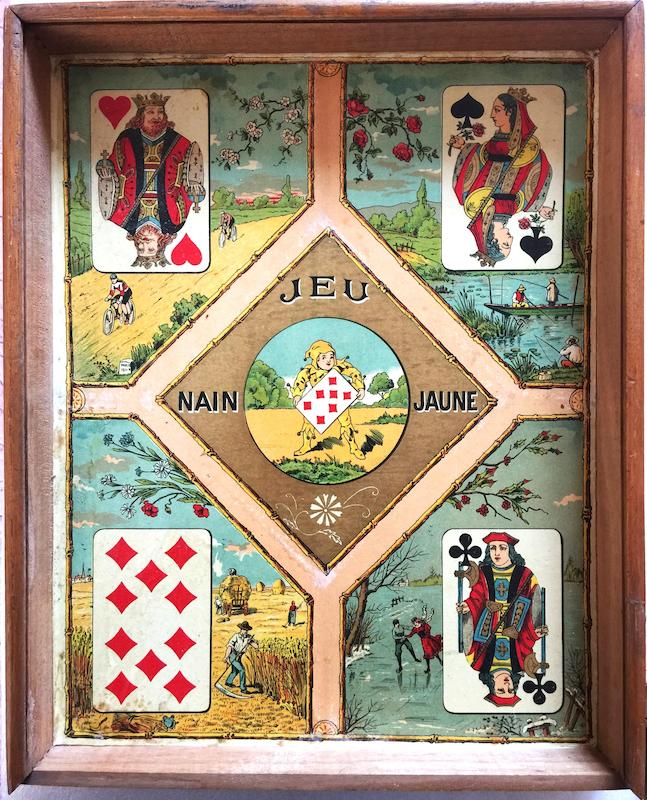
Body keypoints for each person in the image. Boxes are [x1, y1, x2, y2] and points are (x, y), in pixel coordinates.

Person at [96, 92, 205, 268]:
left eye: (160, 112)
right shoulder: (174, 222)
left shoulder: (122, 219)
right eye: (151, 112)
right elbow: (114, 167)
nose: (156, 117)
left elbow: (190, 180)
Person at [449, 88, 555, 267]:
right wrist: (538, 208)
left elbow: (476, 164)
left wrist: (464, 147)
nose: (491, 115)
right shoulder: (516, 207)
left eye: (497, 109)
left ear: (510, 112)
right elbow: (527, 188)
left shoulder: (468, 199)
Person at [456, 532, 548, 707]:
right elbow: (477, 597)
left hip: (500, 627)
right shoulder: (521, 664)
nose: (497, 553)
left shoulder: (477, 661)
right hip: (492, 623)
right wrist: (468, 606)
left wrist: (469, 606)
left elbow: (534, 604)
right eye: (492, 548)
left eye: (502, 548)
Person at [291, 339, 366, 459]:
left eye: (331, 356)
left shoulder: (338, 366)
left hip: (338, 402)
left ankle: (354, 448)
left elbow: (354, 372)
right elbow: (300, 381)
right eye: (323, 357)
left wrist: (360, 387)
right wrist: (297, 395)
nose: (328, 360)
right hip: (318, 402)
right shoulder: (309, 371)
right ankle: (306, 445)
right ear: (315, 359)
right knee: (308, 422)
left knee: (346, 423)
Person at [224, 621, 258, 694]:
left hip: (239, 656)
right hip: (233, 655)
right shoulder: (236, 636)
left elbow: (256, 646)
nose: (245, 631)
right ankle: (243, 688)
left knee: (235, 671)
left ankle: (228, 682)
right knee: (242, 670)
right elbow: (230, 646)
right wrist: (226, 657)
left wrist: (252, 641)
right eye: (244, 629)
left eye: (246, 630)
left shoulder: (248, 637)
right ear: (241, 629)